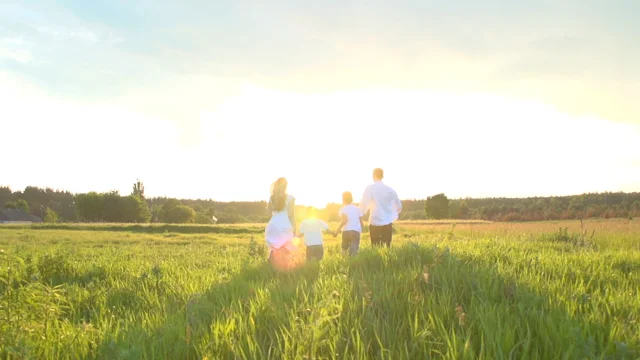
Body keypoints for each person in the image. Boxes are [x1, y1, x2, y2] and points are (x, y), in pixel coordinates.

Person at [359, 168, 402, 248]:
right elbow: (399, 207)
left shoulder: (370, 188)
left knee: (375, 247)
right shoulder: (391, 190)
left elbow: (363, 204)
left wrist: (359, 215)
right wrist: (390, 215)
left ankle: (376, 260)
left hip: (375, 221)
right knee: (386, 247)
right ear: (382, 176)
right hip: (388, 223)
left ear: (373, 175)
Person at [265, 177, 299, 270]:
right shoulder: (290, 198)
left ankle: (271, 264)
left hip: (273, 224)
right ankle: (283, 268)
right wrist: (295, 228)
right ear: (285, 186)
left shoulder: (272, 198)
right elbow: (291, 215)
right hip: (285, 225)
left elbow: (268, 214)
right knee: (286, 246)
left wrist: (275, 220)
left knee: (275, 247)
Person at [335, 191, 364, 256]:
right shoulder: (357, 209)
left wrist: (337, 230)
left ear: (343, 199)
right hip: (355, 231)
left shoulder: (342, 209)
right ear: (351, 198)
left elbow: (345, 220)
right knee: (354, 250)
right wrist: (360, 229)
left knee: (344, 249)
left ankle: (344, 263)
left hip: (346, 231)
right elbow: (361, 222)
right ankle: (353, 264)